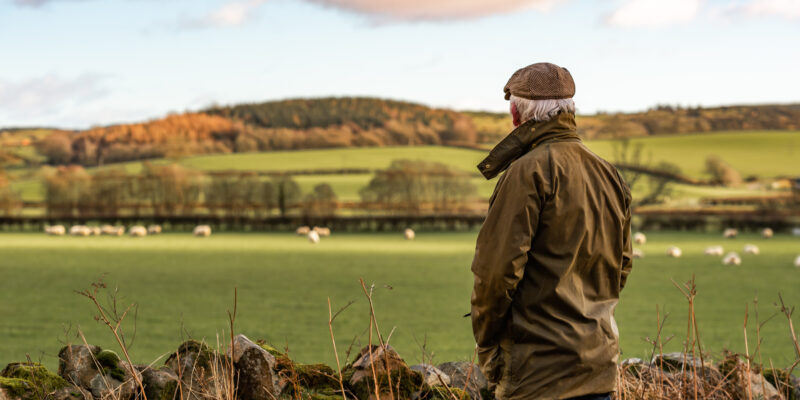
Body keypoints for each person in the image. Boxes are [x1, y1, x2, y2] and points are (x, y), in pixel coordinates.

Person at [470, 62, 633, 400]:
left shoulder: (526, 173)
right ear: (569, 109)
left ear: (516, 115)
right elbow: (622, 265)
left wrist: (488, 346)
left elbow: (497, 275)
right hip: (599, 369)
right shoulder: (609, 174)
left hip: (537, 378)